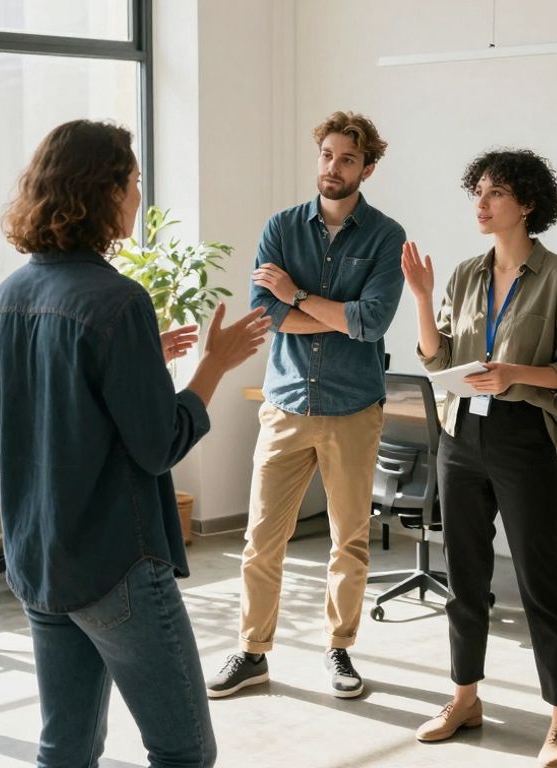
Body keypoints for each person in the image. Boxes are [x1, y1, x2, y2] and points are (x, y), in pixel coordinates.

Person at [0, 119, 269, 767]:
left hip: (39, 562)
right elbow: (158, 444)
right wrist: (213, 365)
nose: (139, 195)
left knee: (67, 747)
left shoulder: (4, 299)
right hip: (116, 569)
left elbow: (2, 435)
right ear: (100, 190)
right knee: (184, 751)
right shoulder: (116, 301)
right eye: (134, 181)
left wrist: (138, 362)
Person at [403, 148, 557, 768]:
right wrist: (423, 298)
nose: (480, 204)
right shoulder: (463, 273)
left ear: (528, 203)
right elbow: (436, 361)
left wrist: (515, 373)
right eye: (477, 192)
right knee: (465, 576)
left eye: (495, 194)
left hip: (522, 435)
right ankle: (465, 697)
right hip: (461, 437)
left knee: (540, 578)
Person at [206, 110, 405, 700]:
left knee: (349, 540)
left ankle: (340, 649)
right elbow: (264, 314)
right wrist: (324, 311)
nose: (333, 168)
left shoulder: (386, 237)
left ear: (367, 168)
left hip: (352, 409)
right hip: (287, 403)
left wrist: (296, 294)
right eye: (326, 155)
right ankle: (252, 651)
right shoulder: (280, 227)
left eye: (347, 159)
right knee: (261, 539)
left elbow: (370, 325)